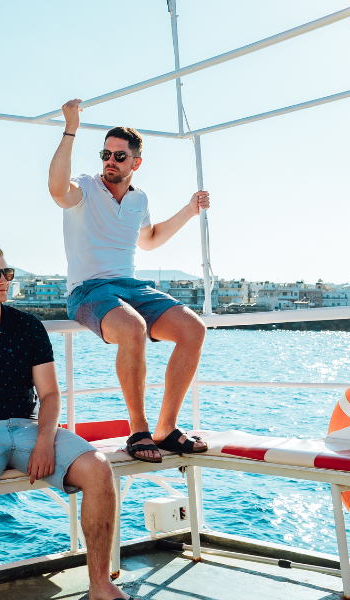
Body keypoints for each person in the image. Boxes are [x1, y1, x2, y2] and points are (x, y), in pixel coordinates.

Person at [0, 242, 127, 600]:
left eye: (7, 273)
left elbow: (49, 395)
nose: (4, 280)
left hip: (28, 427)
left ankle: (100, 585)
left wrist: (45, 441)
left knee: (98, 468)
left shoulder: (27, 327)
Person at [47, 98, 210, 463]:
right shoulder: (85, 188)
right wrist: (70, 128)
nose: (110, 161)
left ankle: (166, 429)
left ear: (135, 163)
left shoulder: (139, 199)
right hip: (88, 290)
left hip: (130, 286)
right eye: (106, 153)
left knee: (193, 330)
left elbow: (149, 239)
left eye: (119, 156)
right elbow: (58, 190)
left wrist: (189, 209)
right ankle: (138, 430)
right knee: (133, 328)